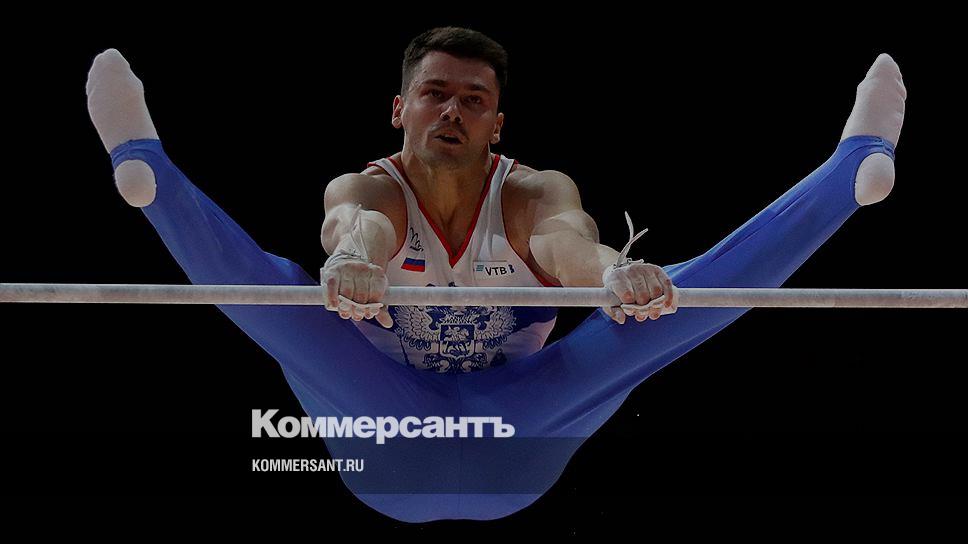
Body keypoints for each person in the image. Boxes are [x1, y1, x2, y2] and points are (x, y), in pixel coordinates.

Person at [87, 27, 904, 522]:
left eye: (473, 99)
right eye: (434, 94)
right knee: (288, 292)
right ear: (400, 109)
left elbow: (567, 244)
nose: (452, 110)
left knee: (666, 301)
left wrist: (617, 277)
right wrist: (354, 260)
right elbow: (359, 225)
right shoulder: (370, 188)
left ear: (497, 122)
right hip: (388, 439)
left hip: (520, 434)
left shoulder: (531, 194)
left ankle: (850, 171)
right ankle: (148, 167)